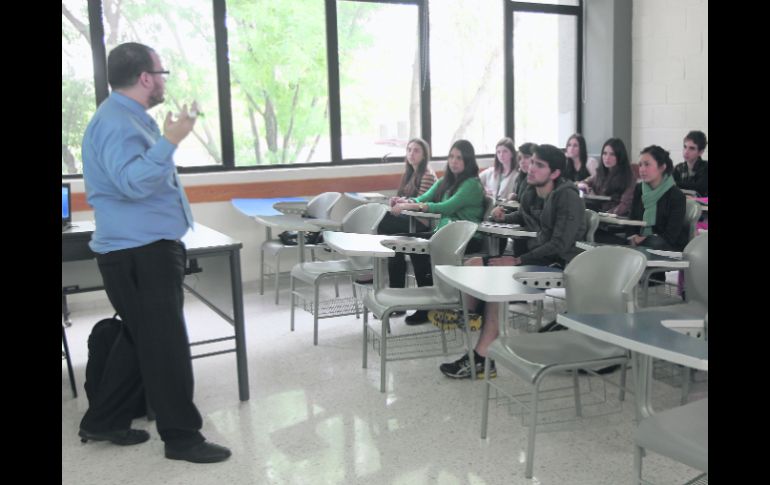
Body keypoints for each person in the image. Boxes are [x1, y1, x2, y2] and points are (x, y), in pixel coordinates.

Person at [78, 42, 231, 463]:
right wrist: (171, 140)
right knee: (165, 345)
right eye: (162, 72)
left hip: (144, 248)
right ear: (145, 78)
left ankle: (103, 419)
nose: (164, 79)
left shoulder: (130, 118)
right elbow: (132, 182)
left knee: (138, 336)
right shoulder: (114, 122)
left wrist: (166, 138)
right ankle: (182, 438)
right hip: (139, 253)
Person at [436, 144, 586, 379]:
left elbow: (561, 244)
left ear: (555, 173)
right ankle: (470, 316)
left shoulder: (567, 197)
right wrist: (505, 216)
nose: (531, 169)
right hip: (535, 258)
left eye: (539, 165)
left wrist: (516, 260)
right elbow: (526, 218)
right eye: (532, 162)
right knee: (474, 264)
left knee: (499, 282)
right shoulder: (531, 193)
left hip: (561, 263)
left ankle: (482, 357)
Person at [388, 139, 485, 324]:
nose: (454, 161)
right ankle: (417, 300)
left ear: (468, 161)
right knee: (404, 242)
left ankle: (428, 306)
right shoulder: (445, 181)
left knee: (418, 248)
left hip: (467, 238)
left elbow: (445, 208)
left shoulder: (471, 184)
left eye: (459, 158)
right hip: (445, 234)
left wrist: (413, 205)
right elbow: (423, 198)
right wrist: (402, 201)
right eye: (451, 157)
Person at [627, 145, 688, 252]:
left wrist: (644, 238)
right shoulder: (639, 189)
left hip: (667, 246)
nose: (642, 169)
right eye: (640, 165)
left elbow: (671, 236)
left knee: (653, 242)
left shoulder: (676, 196)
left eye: (647, 165)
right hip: (641, 241)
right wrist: (632, 237)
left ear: (662, 167)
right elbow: (632, 220)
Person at [377, 138, 437, 235]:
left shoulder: (427, 175)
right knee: (378, 214)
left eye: (416, 151)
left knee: (380, 219)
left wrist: (402, 204)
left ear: (424, 156)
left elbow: (420, 204)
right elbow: (407, 198)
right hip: (407, 216)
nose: (411, 153)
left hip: (419, 222)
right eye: (409, 150)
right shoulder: (410, 173)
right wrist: (397, 200)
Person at [577, 138, 635, 216]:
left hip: (615, 218)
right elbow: (584, 182)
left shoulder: (628, 177)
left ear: (620, 156)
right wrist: (583, 185)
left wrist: (605, 214)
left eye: (612, 154)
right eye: (604, 153)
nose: (607, 158)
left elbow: (625, 205)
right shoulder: (600, 173)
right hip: (599, 215)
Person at [672, 130, 708, 197]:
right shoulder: (678, 168)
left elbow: (699, 188)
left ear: (700, 152)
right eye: (685, 147)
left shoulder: (706, 167)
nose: (686, 152)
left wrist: (676, 184)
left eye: (692, 148)